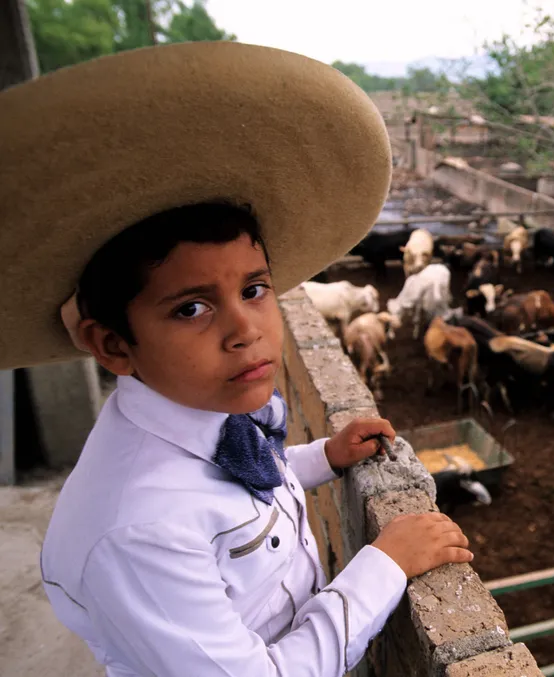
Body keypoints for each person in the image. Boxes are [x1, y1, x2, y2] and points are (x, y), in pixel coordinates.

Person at [0, 42, 472, 676]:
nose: (245, 330)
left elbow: (248, 484)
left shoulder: (200, 412)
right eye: (191, 308)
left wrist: (322, 458)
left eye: (254, 290)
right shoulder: (137, 532)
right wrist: (384, 564)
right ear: (112, 344)